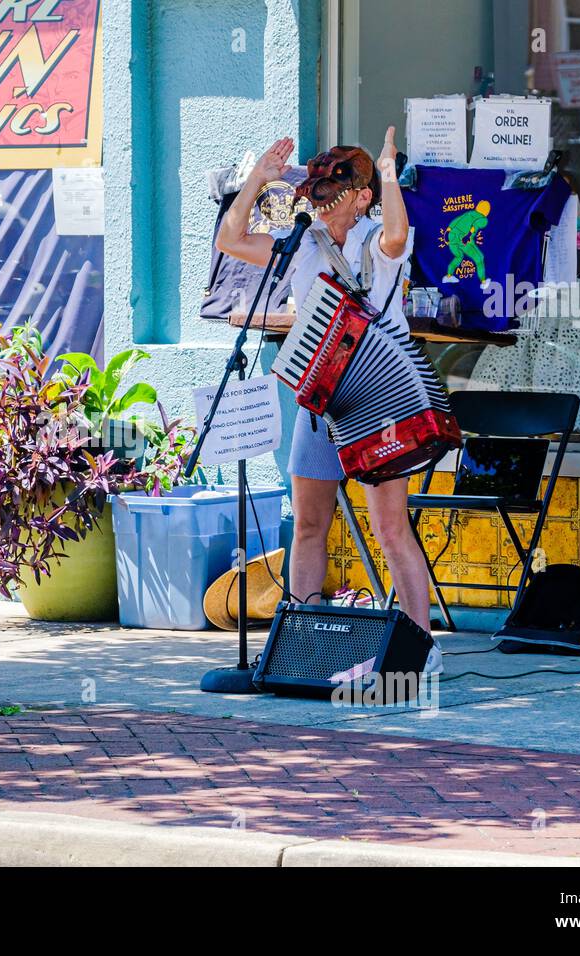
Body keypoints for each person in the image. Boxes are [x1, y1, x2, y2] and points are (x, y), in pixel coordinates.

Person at [215, 128, 439, 669]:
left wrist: (388, 175)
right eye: (318, 181)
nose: (322, 192)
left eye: (338, 183)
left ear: (361, 196)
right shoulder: (302, 243)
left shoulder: (374, 238)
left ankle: (422, 649)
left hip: (380, 404)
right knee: (310, 524)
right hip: (322, 403)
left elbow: (396, 234)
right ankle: (307, 642)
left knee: (389, 528)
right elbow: (230, 239)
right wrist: (257, 181)